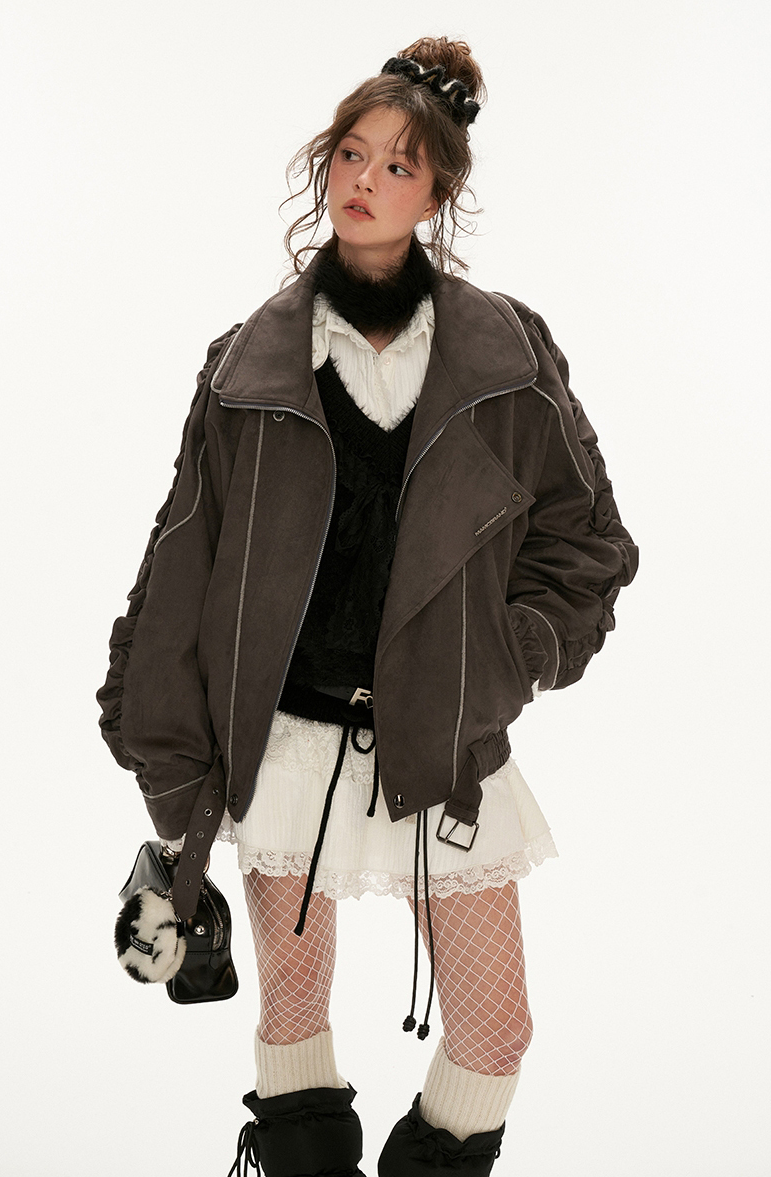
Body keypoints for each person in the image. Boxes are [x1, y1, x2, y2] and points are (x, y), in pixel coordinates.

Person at [97, 36, 638, 1177]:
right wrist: (169, 768)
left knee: (495, 1028)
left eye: (399, 164)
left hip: (439, 742)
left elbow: (585, 537)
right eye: (351, 153)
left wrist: (511, 655)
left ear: (437, 194)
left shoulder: (507, 353)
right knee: (293, 1016)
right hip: (286, 745)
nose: (366, 179)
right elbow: (181, 567)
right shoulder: (246, 363)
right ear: (324, 164)